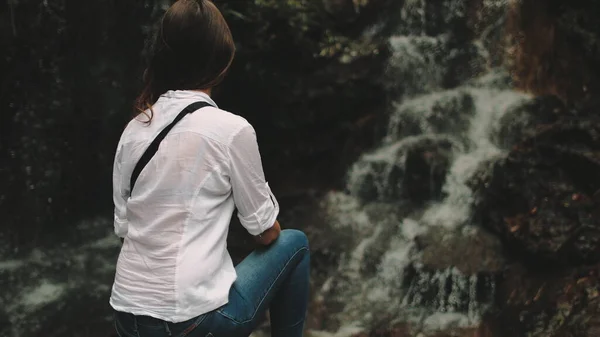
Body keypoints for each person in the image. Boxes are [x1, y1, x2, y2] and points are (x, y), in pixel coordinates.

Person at [109, 1, 310, 336]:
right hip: (189, 323)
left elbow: (124, 229)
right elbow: (265, 232)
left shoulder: (134, 130)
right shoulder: (230, 130)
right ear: (222, 63)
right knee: (295, 242)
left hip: (127, 316)